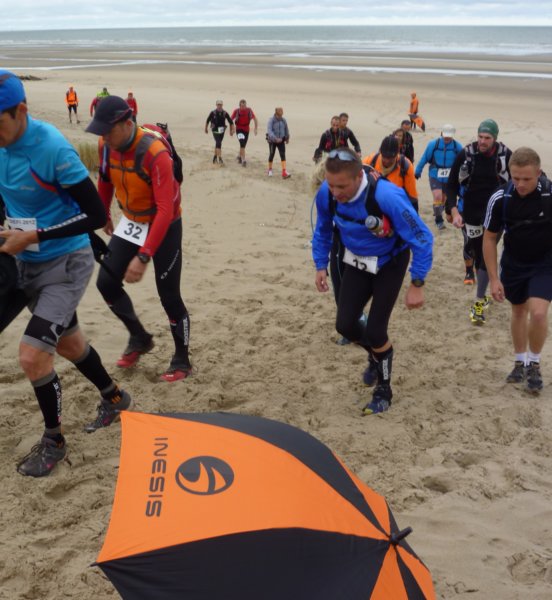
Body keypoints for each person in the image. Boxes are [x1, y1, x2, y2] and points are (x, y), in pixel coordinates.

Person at [0, 70, 132, 477]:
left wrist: (34, 235)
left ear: (21, 110)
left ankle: (54, 442)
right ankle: (114, 398)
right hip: (22, 259)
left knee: (32, 355)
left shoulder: (53, 148)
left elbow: (94, 214)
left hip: (65, 265)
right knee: (71, 345)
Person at [312, 148, 433, 414]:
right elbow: (323, 228)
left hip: (390, 263)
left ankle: (383, 391)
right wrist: (320, 264)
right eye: (331, 185)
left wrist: (417, 283)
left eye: (342, 186)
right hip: (356, 261)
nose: (336, 193)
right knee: (345, 325)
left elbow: (423, 238)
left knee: (377, 331)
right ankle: (377, 355)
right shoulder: (326, 193)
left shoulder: (387, 196)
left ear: (359, 177)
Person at [86, 95, 192, 382]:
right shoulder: (106, 145)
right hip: (133, 220)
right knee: (106, 282)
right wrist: (104, 213)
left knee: (169, 296)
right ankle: (139, 337)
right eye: (100, 132)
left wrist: (144, 256)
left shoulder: (155, 153)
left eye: (108, 131)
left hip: (165, 224)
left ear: (127, 123)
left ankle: (182, 360)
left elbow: (165, 209)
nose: (104, 137)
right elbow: (105, 179)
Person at [483, 147, 551, 394]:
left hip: (545, 263)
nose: (520, 184)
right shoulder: (501, 197)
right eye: (515, 178)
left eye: (527, 179)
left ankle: (534, 363)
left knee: (539, 313)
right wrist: (494, 279)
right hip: (513, 263)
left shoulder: (549, 195)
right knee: (519, 310)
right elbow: (489, 239)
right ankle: (520, 361)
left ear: (539, 173)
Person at [446, 119, 512, 325]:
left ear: (495, 138)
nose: (482, 141)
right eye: (480, 136)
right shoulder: (466, 154)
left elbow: (516, 183)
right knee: (476, 253)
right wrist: (453, 211)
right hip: (471, 213)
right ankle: (483, 286)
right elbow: (451, 185)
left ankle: (479, 300)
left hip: (496, 214)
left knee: (485, 255)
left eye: (487, 138)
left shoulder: (506, 155)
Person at [415, 124, 462, 230]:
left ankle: (437, 210)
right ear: (441, 133)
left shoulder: (457, 146)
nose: (447, 138)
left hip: (450, 177)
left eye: (449, 136)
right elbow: (424, 158)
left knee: (443, 199)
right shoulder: (433, 144)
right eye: (445, 136)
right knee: (437, 196)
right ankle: (439, 220)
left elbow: (464, 160)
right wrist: (417, 171)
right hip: (435, 174)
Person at [363, 135, 419, 212]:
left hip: (395, 206)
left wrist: (415, 214)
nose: (387, 161)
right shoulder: (370, 161)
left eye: (390, 158)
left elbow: (412, 197)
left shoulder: (406, 166)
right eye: (384, 156)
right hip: (372, 203)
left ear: (397, 153)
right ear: (380, 151)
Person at [204, 100, 234, 165]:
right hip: (214, 129)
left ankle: (215, 157)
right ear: (216, 105)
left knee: (218, 143)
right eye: (218, 105)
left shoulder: (225, 113)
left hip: (222, 130)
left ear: (222, 105)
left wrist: (231, 130)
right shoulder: (213, 113)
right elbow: (207, 120)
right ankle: (220, 158)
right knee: (218, 142)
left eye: (220, 105)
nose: (219, 106)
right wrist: (206, 128)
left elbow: (231, 122)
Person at [230, 98, 258, 167]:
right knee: (242, 143)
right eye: (242, 106)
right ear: (239, 106)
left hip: (246, 130)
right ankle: (243, 160)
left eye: (245, 106)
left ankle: (239, 156)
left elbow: (255, 119)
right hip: (239, 129)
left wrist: (255, 129)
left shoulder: (249, 110)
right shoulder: (236, 111)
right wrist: (232, 129)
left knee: (243, 145)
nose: (244, 107)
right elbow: (230, 120)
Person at [266, 106, 291, 179]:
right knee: (271, 154)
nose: (282, 112)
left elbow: (286, 129)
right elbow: (269, 131)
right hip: (272, 141)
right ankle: (270, 170)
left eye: (282, 111)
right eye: (280, 111)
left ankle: (284, 171)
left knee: (283, 155)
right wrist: (275, 138)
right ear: (276, 112)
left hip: (281, 140)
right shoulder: (271, 120)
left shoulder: (283, 120)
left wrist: (287, 137)